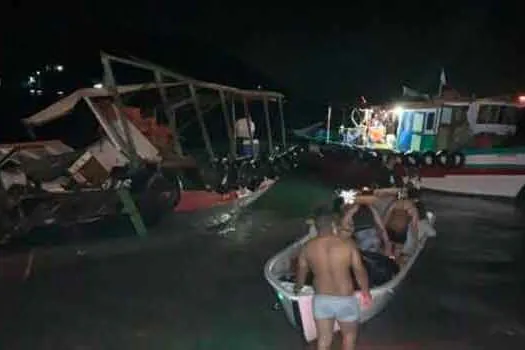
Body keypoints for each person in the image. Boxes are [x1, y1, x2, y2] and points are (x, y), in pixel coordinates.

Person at [294, 215, 372, 350]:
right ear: (333, 226)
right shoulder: (347, 244)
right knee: (349, 336)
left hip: (322, 299)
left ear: (316, 227)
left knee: (324, 340)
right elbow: (359, 270)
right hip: (345, 298)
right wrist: (366, 291)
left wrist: (297, 288)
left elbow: (301, 273)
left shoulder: (307, 247)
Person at [383, 193, 420, 264]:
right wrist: (416, 238)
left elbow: (386, 217)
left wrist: (383, 230)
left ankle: (385, 263)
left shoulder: (394, 203)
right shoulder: (412, 207)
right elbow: (414, 226)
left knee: (388, 247)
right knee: (398, 249)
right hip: (401, 231)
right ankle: (393, 264)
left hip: (390, 228)